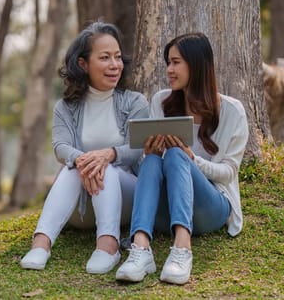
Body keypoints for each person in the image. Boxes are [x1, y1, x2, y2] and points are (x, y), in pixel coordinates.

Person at [115, 32, 249, 284]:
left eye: (176, 62)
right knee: (154, 159)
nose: (169, 69)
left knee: (176, 153)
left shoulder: (232, 111)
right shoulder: (161, 102)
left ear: (196, 64)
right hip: (167, 208)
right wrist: (148, 154)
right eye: (168, 62)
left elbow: (229, 172)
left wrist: (191, 159)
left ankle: (182, 250)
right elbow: (149, 173)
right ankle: (141, 250)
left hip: (212, 207)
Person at [20, 21, 149, 274]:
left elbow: (137, 147)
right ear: (83, 64)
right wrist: (84, 160)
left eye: (117, 57)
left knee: (107, 167)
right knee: (72, 168)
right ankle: (41, 244)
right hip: (79, 209)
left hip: (126, 200)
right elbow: (60, 147)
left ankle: (108, 247)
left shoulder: (135, 102)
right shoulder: (65, 107)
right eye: (104, 58)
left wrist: (108, 155)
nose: (115, 65)